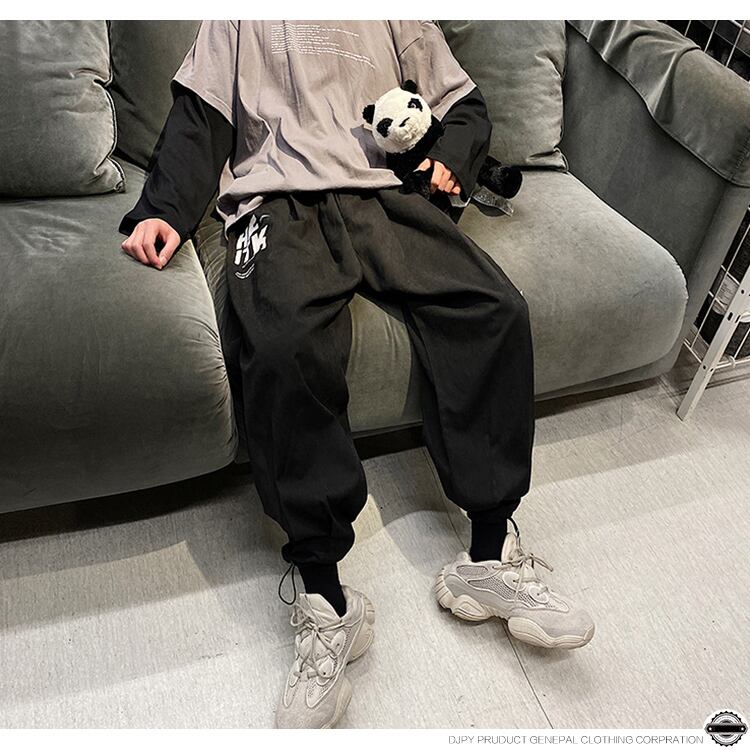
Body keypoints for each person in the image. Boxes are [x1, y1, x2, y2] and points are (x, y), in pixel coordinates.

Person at [119, 20, 595, 729]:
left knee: (494, 310)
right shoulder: (235, 19)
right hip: (277, 202)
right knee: (283, 348)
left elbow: (463, 105)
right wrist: (162, 209)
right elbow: (200, 120)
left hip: (385, 196)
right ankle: (326, 599)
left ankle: (490, 557)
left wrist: (450, 161)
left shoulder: (396, 14)